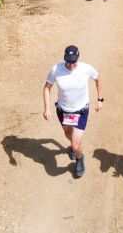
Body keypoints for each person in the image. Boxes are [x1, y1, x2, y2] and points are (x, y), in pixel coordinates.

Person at [43, 45, 103, 179]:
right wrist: (47, 108)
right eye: (68, 61)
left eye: (73, 61)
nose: (70, 64)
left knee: (75, 145)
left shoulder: (86, 69)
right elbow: (47, 87)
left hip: (81, 111)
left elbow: (98, 79)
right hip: (63, 111)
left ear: (78, 58)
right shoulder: (56, 69)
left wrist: (100, 100)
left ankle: (79, 157)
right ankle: (75, 146)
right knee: (68, 134)